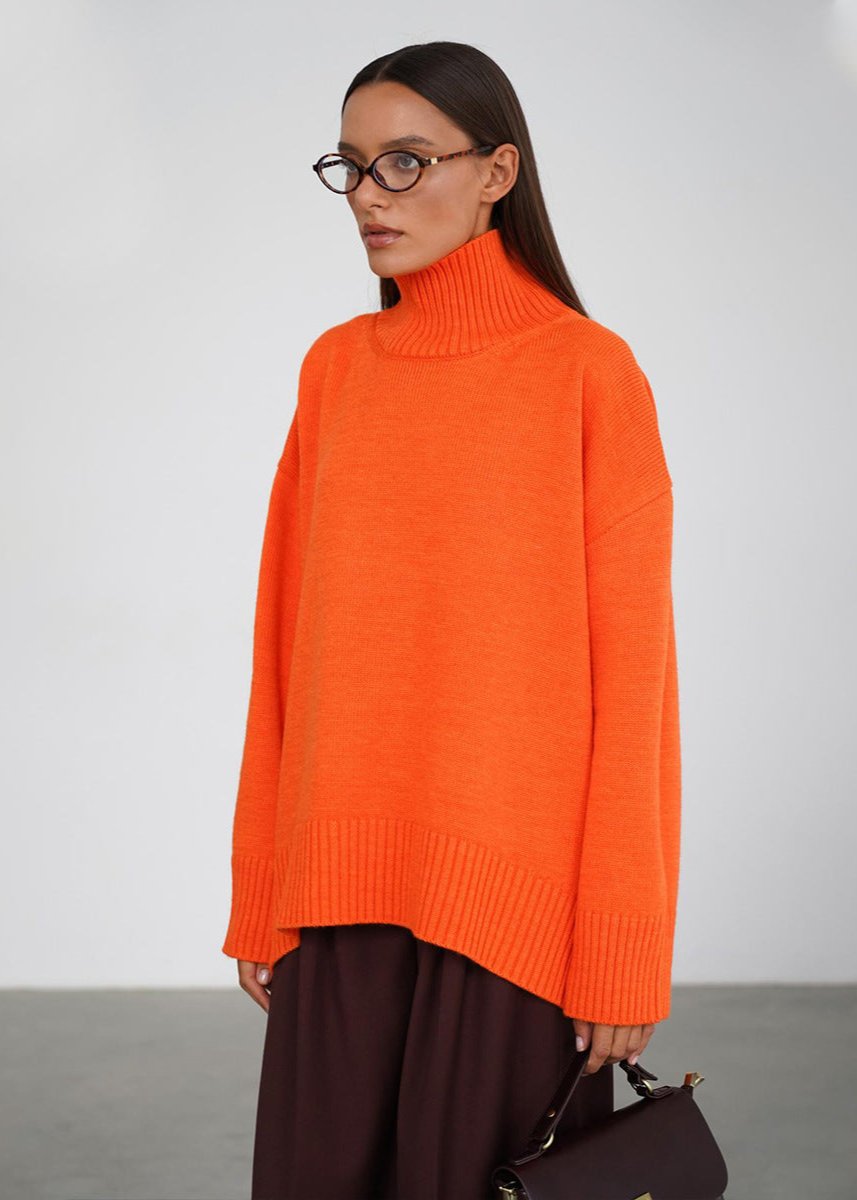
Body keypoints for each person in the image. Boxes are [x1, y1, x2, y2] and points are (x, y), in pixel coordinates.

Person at [221, 39, 682, 1200]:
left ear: (495, 172)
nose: (369, 197)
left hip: (512, 925)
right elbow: (281, 652)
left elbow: (634, 692)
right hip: (334, 903)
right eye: (351, 166)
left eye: (406, 162)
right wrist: (259, 894)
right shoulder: (335, 371)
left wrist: (621, 953)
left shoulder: (586, 376)